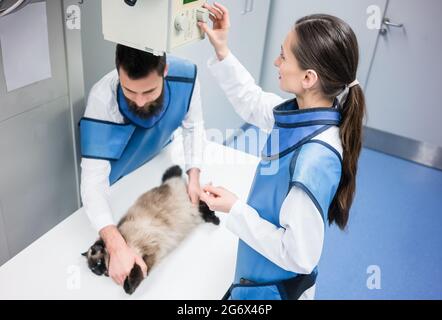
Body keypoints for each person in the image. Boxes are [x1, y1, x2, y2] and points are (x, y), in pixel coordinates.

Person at [198, 3, 366, 300]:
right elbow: (252, 101)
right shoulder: (310, 115)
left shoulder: (315, 159)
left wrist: (235, 208)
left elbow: (299, 255)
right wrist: (222, 48)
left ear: (308, 78)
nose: (277, 62)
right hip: (260, 274)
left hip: (274, 291)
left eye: (284, 55)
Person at [79, 44, 205, 286]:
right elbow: (93, 181)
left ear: (165, 71)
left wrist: (194, 176)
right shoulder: (102, 97)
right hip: (117, 188)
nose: (139, 100)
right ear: (118, 73)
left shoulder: (187, 77)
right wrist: (115, 245)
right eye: (129, 91)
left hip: (156, 167)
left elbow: (194, 127)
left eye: (149, 91)